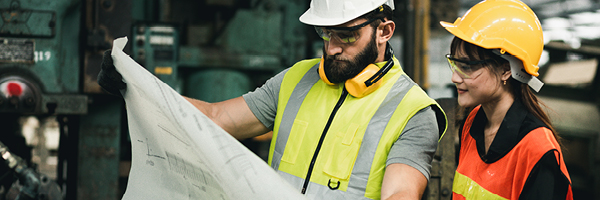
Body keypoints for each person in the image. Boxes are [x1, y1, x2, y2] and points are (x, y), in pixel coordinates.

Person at [99, 0, 447, 199]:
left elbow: (399, 195)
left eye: (346, 36)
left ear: (384, 31)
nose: (332, 48)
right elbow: (217, 117)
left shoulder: (412, 112)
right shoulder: (297, 79)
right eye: (325, 34)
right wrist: (136, 86)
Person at [439, 0, 573, 199]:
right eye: (455, 64)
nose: (455, 77)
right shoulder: (473, 122)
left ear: (506, 70)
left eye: (467, 66)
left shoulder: (537, 149)